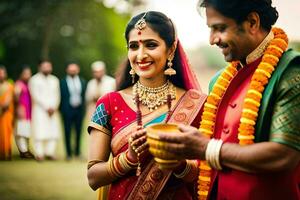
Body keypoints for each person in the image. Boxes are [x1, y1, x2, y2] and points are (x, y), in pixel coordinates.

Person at [157, 0, 300, 199]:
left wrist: (205, 148)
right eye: (210, 29)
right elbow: (212, 165)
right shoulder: (219, 82)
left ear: (252, 22)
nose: (212, 39)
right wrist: (181, 160)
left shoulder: (291, 73)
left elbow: (284, 155)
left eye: (220, 28)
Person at [87, 11, 207, 200]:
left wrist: (178, 164)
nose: (141, 55)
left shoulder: (198, 104)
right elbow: (93, 177)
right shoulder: (108, 103)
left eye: (151, 45)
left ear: (171, 49)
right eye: (134, 46)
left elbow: (207, 177)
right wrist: (129, 159)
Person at [29, 60, 61, 161]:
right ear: (40, 67)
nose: (47, 68)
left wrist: (54, 106)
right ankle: (39, 153)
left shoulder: (54, 80)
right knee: (40, 131)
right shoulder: (34, 79)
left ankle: (50, 152)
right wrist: (46, 107)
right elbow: (35, 95)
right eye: (45, 66)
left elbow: (57, 95)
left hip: (53, 109)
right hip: (40, 109)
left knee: (52, 131)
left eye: (49, 66)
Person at [60, 62, 86, 160]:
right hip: (67, 110)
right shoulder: (62, 82)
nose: (73, 71)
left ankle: (77, 152)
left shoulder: (82, 81)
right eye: (71, 69)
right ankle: (68, 154)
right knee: (67, 131)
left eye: (74, 69)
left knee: (79, 131)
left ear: (78, 70)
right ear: (67, 70)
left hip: (79, 110)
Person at [14, 66, 35, 159]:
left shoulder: (27, 84)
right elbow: (16, 94)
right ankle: (23, 151)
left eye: (29, 74)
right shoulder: (19, 84)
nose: (28, 76)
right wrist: (18, 107)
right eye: (26, 74)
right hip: (22, 110)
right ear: (21, 74)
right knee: (21, 131)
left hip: (28, 111)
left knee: (26, 130)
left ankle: (26, 149)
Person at [0, 66, 14, 160]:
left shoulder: (9, 86)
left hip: (6, 113)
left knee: (6, 132)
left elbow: (8, 101)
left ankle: (6, 152)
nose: (1, 75)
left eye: (2, 73)